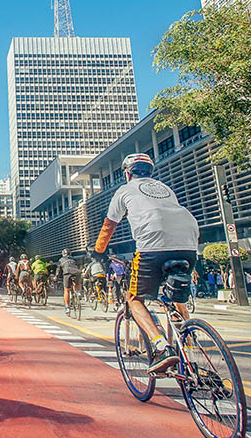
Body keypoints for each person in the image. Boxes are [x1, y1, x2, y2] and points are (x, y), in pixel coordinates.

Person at [92, 153, 199, 373]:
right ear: (150, 173)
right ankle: (188, 339)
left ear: (127, 173)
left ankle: (162, 347)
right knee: (175, 293)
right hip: (189, 244)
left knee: (133, 299)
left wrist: (98, 250)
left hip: (152, 247)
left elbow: (109, 225)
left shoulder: (124, 190)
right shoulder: (165, 189)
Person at [55, 249, 81, 315]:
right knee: (77, 282)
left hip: (67, 273)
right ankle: (78, 292)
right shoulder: (74, 259)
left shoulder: (61, 260)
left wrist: (56, 277)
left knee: (66, 290)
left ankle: (67, 307)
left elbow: (59, 270)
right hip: (76, 272)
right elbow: (78, 266)